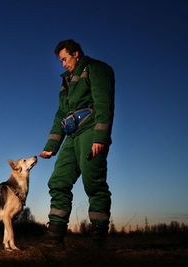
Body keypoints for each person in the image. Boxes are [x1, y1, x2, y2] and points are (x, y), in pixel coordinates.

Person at [39, 39, 115, 246]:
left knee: (93, 182)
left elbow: (103, 103)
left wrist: (100, 137)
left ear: (76, 54)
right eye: (61, 60)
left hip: (91, 132)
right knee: (58, 180)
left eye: (65, 59)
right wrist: (50, 146)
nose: (63, 64)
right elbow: (60, 115)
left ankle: (98, 237)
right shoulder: (66, 82)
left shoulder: (97, 69)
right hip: (72, 137)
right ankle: (55, 235)